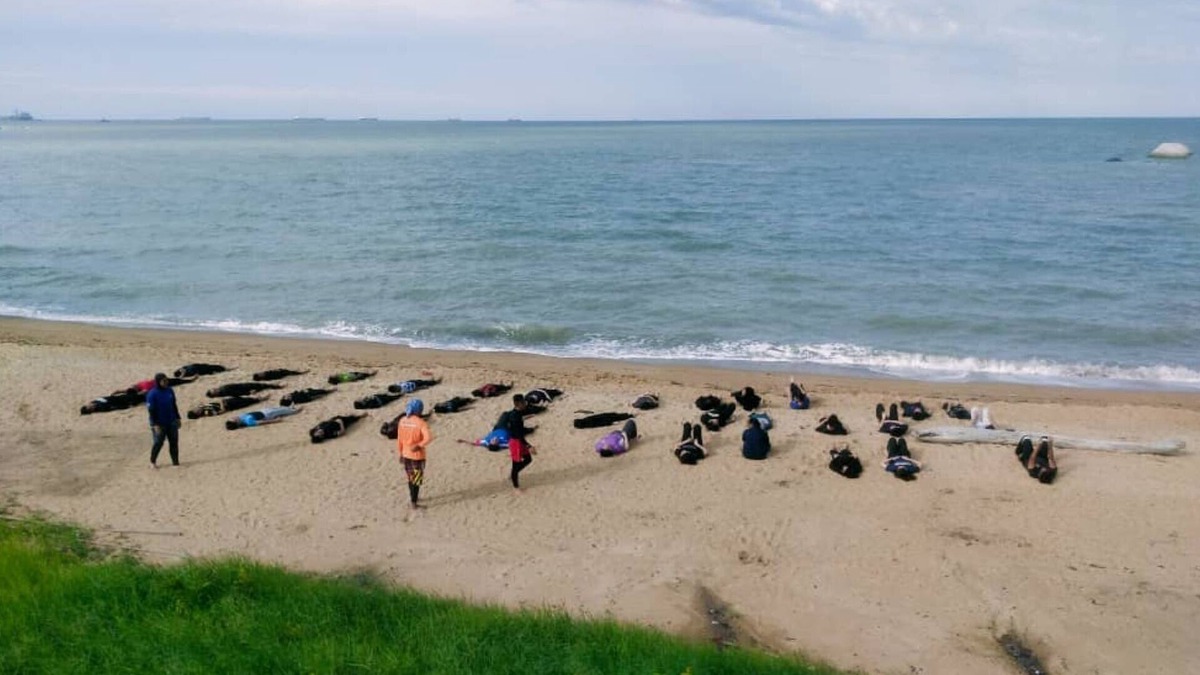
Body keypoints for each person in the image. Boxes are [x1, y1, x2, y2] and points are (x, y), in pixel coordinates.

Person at [495, 394, 536, 490]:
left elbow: (519, 426)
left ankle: (513, 474)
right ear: (517, 404)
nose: (525, 404)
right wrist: (529, 446)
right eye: (522, 403)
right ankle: (516, 487)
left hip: (519, 440)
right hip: (516, 442)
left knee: (528, 460)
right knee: (516, 465)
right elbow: (518, 434)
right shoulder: (515, 417)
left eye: (524, 402)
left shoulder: (516, 413)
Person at [397, 399, 433, 508]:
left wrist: (400, 453)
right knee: (417, 479)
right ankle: (414, 502)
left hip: (405, 454)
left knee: (410, 477)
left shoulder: (402, 420)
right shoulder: (421, 423)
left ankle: (413, 497)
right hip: (417, 456)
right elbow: (429, 438)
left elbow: (399, 439)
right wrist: (419, 445)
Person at [146, 373, 182, 468]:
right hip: (159, 423)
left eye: (167, 380)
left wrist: (178, 417)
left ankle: (175, 463)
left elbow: (174, 405)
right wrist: (155, 424)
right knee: (158, 442)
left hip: (172, 420)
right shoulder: (152, 394)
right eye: (164, 381)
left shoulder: (170, 390)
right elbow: (151, 410)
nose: (166, 382)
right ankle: (152, 462)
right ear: (158, 382)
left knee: (174, 442)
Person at [187, 395, 264, 419]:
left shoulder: (202, 407)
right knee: (245, 402)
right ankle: (260, 399)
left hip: (226, 401)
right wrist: (222, 403)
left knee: (242, 399)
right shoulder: (207, 412)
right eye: (195, 410)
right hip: (229, 405)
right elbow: (221, 412)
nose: (196, 409)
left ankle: (258, 398)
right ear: (197, 414)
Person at [224, 406, 300, 430]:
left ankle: (291, 408)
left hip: (262, 411)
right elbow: (262, 422)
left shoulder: (240, 418)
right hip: (267, 415)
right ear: (237, 423)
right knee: (281, 411)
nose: (233, 417)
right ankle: (295, 411)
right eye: (233, 419)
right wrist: (276, 421)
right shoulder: (248, 422)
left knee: (278, 408)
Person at [80, 389, 145, 415]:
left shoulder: (94, 401)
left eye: (88, 406)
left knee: (132, 390)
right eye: (90, 409)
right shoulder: (102, 407)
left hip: (119, 396)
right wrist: (127, 406)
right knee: (141, 395)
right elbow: (115, 407)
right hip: (124, 401)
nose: (91, 406)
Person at [205, 382, 282, 398]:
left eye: (213, 389)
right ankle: (278, 386)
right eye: (214, 391)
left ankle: (274, 385)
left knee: (261, 385)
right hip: (245, 388)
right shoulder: (224, 391)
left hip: (243, 385)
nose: (214, 389)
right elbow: (237, 393)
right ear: (215, 394)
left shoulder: (222, 390)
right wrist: (248, 393)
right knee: (262, 386)